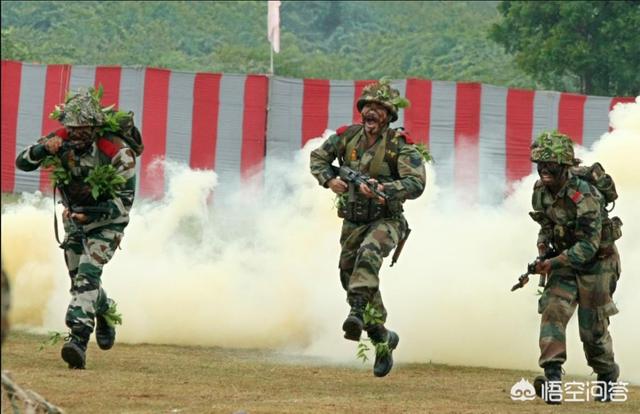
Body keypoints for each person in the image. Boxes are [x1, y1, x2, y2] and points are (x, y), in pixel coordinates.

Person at [309, 79, 426, 377]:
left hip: (387, 220)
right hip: (353, 221)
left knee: (369, 254)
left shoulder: (400, 146)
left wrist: (383, 188)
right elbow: (318, 157)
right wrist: (329, 180)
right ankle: (381, 340)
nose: (371, 113)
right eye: (368, 108)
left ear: (388, 115)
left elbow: (416, 183)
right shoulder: (347, 137)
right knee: (349, 274)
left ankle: (356, 311)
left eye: (379, 109)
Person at [15, 89, 137, 369]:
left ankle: (78, 340)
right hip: (74, 221)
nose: (76, 134)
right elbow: (22, 163)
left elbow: (123, 204)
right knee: (80, 282)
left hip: (107, 224)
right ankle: (105, 311)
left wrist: (87, 214)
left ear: (95, 128)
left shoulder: (118, 152)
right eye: (72, 127)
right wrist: (43, 149)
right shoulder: (61, 139)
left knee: (86, 277)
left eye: (82, 129)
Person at [529, 131, 621, 403]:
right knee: (553, 311)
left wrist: (551, 263)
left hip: (598, 263)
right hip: (565, 262)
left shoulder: (586, 195)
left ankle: (606, 375)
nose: (544, 169)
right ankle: (553, 379)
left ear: (564, 166)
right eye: (540, 164)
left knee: (591, 330)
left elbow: (588, 247)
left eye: (551, 165)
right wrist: (543, 249)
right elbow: (545, 226)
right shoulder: (540, 192)